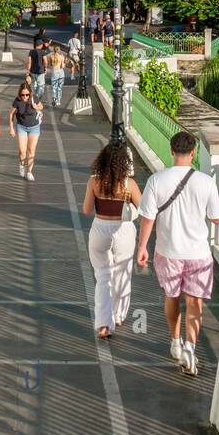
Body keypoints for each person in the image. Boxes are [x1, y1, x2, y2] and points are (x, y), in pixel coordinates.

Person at [136, 129, 219, 377]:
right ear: (194, 153)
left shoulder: (156, 180)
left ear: (172, 151)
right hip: (198, 254)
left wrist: (142, 247)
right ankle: (190, 347)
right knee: (195, 302)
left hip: (167, 251)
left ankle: (174, 341)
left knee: (171, 297)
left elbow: (147, 219)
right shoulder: (206, 182)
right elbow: (217, 219)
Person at [82, 142, 141, 339]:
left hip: (100, 228)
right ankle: (118, 315)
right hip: (123, 230)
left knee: (102, 276)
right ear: (125, 163)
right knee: (122, 273)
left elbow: (87, 210)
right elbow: (144, 208)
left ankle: (103, 325)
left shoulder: (94, 181)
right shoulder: (129, 184)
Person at [10, 79, 42, 180]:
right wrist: (11, 128)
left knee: (31, 150)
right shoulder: (17, 101)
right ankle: (21, 165)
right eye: (23, 95)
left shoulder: (34, 98)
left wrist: (36, 107)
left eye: (27, 95)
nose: (25, 97)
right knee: (22, 151)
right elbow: (11, 114)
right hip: (21, 127)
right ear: (20, 94)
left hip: (34, 127)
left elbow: (41, 107)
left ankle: (29, 172)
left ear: (30, 93)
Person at [25, 34, 47, 99]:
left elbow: (29, 62)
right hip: (40, 71)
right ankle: (37, 98)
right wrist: (45, 68)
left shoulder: (31, 51)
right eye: (42, 44)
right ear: (40, 45)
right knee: (41, 85)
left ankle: (33, 97)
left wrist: (28, 71)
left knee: (34, 85)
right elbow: (45, 61)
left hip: (33, 71)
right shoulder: (43, 52)